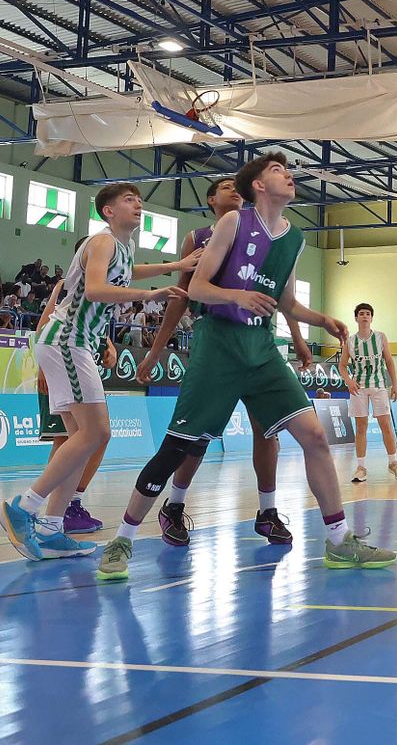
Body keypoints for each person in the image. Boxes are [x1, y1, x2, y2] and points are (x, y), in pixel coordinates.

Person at [96, 152, 394, 582]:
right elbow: (196, 286)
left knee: (314, 436)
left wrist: (320, 319)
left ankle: (339, 540)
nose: (288, 175)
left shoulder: (295, 239)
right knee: (178, 447)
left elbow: (286, 302)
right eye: (278, 170)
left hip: (262, 349)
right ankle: (123, 538)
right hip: (218, 344)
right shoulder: (233, 223)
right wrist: (236, 296)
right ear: (257, 184)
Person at [0, 183, 192, 561]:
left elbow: (130, 271)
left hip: (75, 342)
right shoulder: (101, 243)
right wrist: (149, 295)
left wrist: (175, 267)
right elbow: (99, 289)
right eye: (129, 200)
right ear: (108, 212)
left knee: (79, 440)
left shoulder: (122, 248)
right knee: (97, 432)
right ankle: (24, 508)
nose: (138, 205)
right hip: (68, 339)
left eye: (139, 200)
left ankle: (52, 528)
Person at [138, 176, 308, 548]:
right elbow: (181, 297)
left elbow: (282, 295)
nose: (234, 189)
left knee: (267, 429)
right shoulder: (198, 238)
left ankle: (267, 511)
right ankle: (175, 506)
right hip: (215, 344)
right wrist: (155, 350)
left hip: (257, 343)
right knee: (195, 435)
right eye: (225, 186)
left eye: (237, 185)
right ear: (211, 199)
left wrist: (297, 338)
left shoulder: (269, 234)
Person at [32, 265, 116, 536]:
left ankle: (64, 505)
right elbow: (44, 327)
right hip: (61, 366)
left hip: (80, 363)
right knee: (71, 439)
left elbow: (92, 323)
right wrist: (43, 370)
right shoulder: (66, 285)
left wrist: (108, 345)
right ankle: (50, 507)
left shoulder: (100, 288)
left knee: (92, 437)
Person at [340, 302, 397, 483]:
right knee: (361, 427)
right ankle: (361, 467)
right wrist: (348, 380)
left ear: (371, 318)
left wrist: (395, 384)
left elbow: (389, 361)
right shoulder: (350, 341)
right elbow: (342, 365)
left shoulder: (380, 337)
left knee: (386, 425)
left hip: (379, 386)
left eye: (368, 313)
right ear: (356, 318)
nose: (365, 316)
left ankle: (393, 462)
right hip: (358, 388)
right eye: (361, 313)